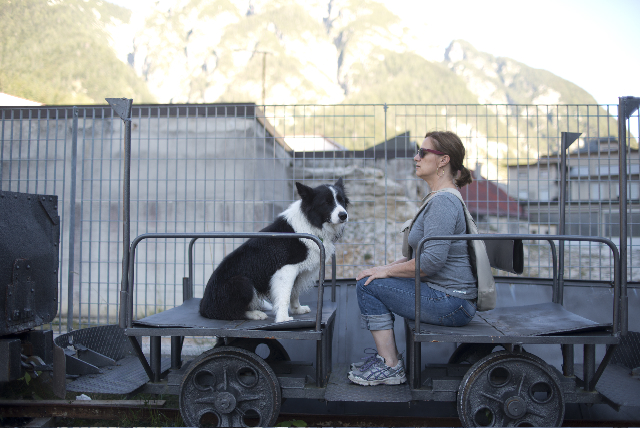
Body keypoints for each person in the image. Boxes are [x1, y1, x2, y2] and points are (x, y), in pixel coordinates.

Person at [348, 130, 476, 386]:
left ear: (443, 161)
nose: (416, 157)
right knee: (371, 278)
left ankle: (390, 366)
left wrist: (385, 273)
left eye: (423, 152)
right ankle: (389, 361)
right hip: (447, 296)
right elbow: (422, 255)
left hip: (451, 302)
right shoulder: (439, 198)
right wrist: (383, 267)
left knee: (367, 287)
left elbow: (429, 264)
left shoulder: (443, 203)